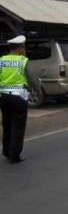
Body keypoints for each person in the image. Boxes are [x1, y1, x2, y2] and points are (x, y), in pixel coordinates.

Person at [0, 35, 41, 164]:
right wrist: (37, 91)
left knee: (7, 124)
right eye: (23, 47)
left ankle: (6, 152)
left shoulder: (1, 60)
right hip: (19, 97)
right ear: (18, 49)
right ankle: (15, 155)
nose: (24, 49)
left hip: (3, 97)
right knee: (18, 126)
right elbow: (32, 79)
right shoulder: (23, 61)